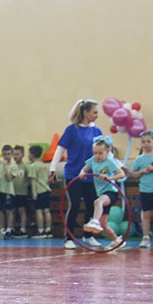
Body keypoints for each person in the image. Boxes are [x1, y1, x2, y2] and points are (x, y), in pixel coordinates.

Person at [50, 99, 101, 249]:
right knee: (75, 204)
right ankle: (69, 237)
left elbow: (105, 152)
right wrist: (52, 168)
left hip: (91, 175)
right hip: (74, 174)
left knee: (92, 205)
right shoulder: (72, 130)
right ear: (86, 113)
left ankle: (88, 235)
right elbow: (60, 150)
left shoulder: (97, 131)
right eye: (95, 112)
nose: (97, 115)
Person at [79, 138, 125, 249]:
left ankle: (94, 221)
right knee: (104, 225)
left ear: (107, 152)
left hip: (111, 192)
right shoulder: (92, 160)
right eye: (95, 153)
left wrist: (110, 178)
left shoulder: (109, 162)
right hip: (101, 193)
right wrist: (82, 173)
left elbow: (121, 174)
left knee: (97, 202)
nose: (98, 155)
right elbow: (84, 169)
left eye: (100, 153)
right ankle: (117, 241)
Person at [131, 132, 153, 248]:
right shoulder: (139, 159)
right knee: (146, 214)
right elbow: (134, 174)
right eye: (143, 142)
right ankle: (145, 237)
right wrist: (142, 171)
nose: (146, 144)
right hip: (145, 189)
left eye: (149, 141)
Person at [27, 145, 52, 238]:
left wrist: (34, 193)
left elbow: (33, 180)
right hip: (46, 189)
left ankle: (41, 230)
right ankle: (48, 230)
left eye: (29, 153)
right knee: (46, 210)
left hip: (39, 190)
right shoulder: (44, 166)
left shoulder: (33, 166)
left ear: (32, 154)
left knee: (39, 211)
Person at [8, 145, 29, 236]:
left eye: (18, 154)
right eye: (14, 154)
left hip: (22, 192)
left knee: (21, 210)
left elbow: (29, 178)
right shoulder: (12, 167)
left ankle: (23, 229)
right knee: (12, 211)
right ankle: (11, 228)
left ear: (23, 155)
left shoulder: (26, 167)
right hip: (12, 192)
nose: (16, 156)